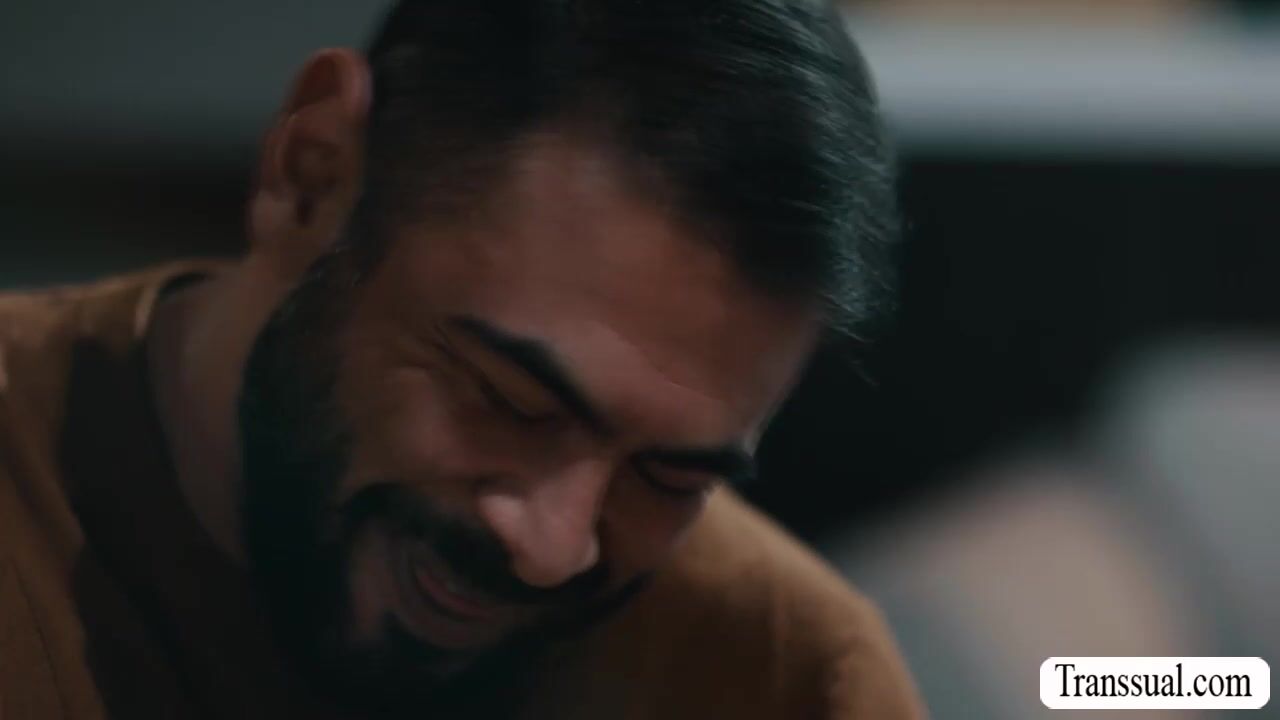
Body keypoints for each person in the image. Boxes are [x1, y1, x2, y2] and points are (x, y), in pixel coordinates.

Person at [0, 0, 922, 717]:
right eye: (510, 399)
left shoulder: (789, 677)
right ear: (313, 174)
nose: (552, 550)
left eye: (672, 477)